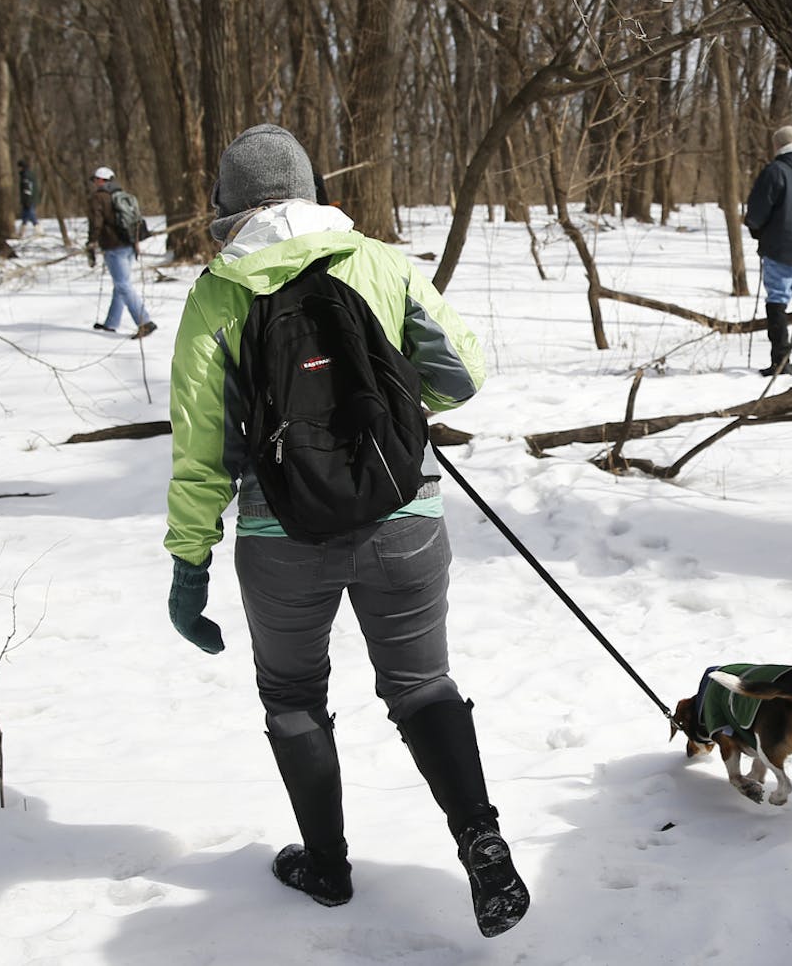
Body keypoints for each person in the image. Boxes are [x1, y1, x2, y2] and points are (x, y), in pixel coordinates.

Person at [162, 124, 528, 938]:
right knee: (423, 685)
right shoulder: (381, 261)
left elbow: (200, 454)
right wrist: (394, 399)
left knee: (293, 696)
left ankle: (326, 867)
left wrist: (190, 568)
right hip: (404, 514)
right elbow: (462, 375)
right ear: (312, 189)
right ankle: (482, 841)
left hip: (279, 533)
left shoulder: (217, 296)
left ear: (227, 209)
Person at [744, 125, 792, 375]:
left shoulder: (776, 171)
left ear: (779, 145)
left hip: (780, 247)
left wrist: (756, 229)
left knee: (777, 299)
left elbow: (758, 209)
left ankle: (780, 360)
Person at [84, 166, 156, 338]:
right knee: (120, 284)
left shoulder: (98, 198)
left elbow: (96, 223)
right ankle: (111, 323)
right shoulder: (122, 195)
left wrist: (92, 241)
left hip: (113, 247)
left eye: (95, 179)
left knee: (123, 285)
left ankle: (144, 322)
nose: (94, 183)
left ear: (101, 180)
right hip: (129, 245)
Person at [15, 159, 39, 236]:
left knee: (30, 213)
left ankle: (38, 229)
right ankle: (21, 231)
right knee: (25, 215)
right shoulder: (29, 174)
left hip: (28, 199)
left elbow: (27, 189)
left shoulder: (25, 176)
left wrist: (26, 199)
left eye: (19, 167)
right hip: (30, 198)